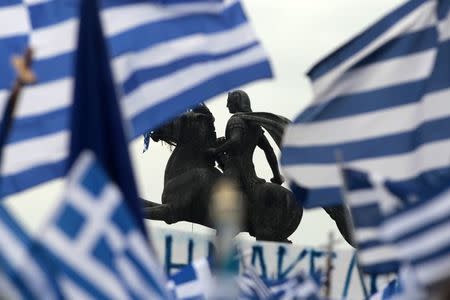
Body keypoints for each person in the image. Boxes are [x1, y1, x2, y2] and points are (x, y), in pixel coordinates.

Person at [209, 90, 285, 196]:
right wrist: (276, 176)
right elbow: (269, 150)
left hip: (235, 172)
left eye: (229, 102)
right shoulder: (254, 125)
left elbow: (236, 140)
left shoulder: (235, 121)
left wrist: (216, 150)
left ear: (236, 103)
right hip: (251, 174)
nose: (227, 105)